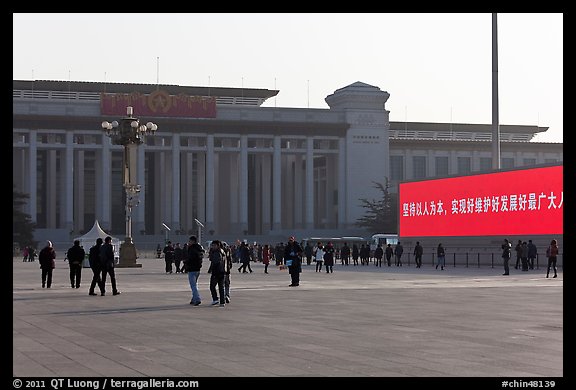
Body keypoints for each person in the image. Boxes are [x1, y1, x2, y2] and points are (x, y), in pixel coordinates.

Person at [185, 235, 204, 305]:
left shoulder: (192, 249)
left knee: (193, 285)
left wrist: (186, 262)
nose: (188, 242)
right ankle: (193, 299)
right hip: (197, 269)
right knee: (194, 284)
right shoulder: (199, 248)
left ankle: (197, 298)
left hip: (192, 269)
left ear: (193, 241)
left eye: (189, 241)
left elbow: (191, 259)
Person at [208, 240, 227, 306]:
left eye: (214, 245)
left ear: (217, 245)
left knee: (212, 286)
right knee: (221, 287)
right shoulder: (222, 251)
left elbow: (215, 263)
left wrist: (213, 272)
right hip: (222, 271)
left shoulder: (216, 252)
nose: (212, 247)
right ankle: (222, 302)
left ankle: (215, 299)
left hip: (217, 272)